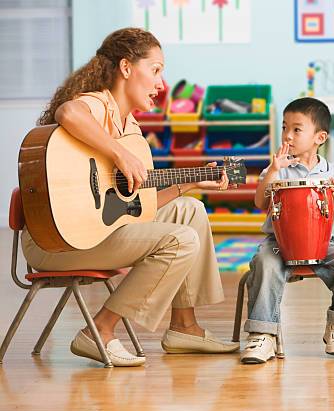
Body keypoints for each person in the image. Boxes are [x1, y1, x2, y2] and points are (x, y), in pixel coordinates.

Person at [26, 27, 238, 367]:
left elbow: (136, 208)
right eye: (155, 70)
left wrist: (190, 183)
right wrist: (119, 155)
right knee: (177, 239)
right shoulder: (96, 104)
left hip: (95, 233)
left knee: (190, 212)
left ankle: (185, 327)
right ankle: (100, 331)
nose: (161, 83)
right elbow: (68, 113)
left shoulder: (131, 129)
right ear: (126, 68)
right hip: (57, 242)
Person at [240, 97, 334, 364]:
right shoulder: (278, 170)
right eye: (285, 128)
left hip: (323, 243)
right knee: (264, 261)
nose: (287, 136)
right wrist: (273, 171)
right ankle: (263, 334)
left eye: (296, 129)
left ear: (320, 137)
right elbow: (260, 202)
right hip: (279, 243)